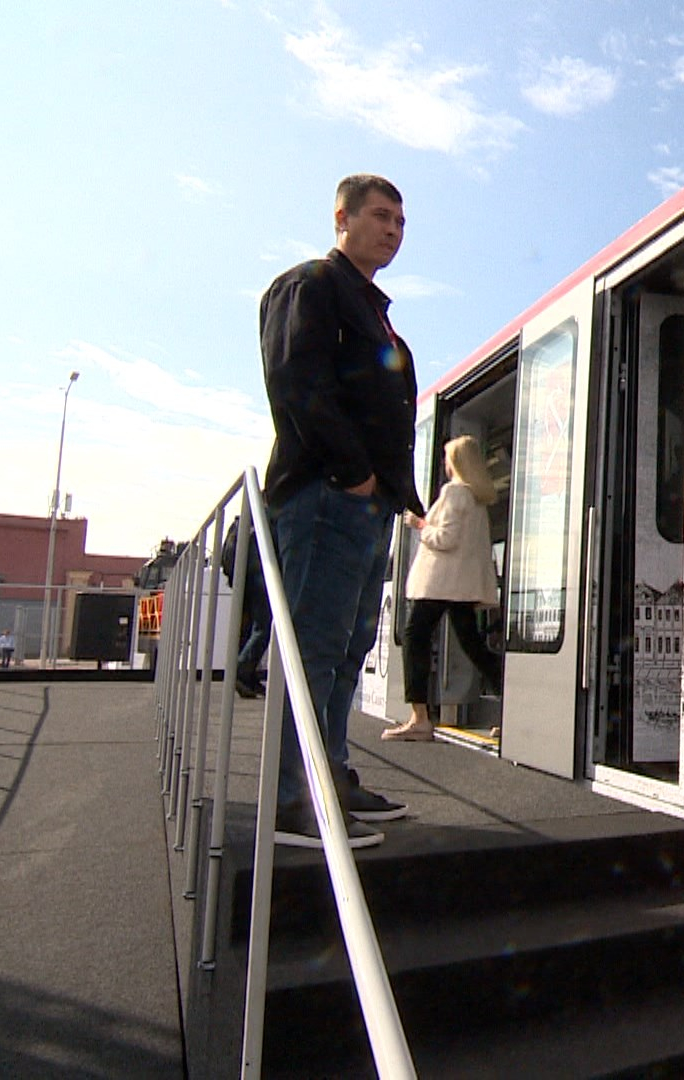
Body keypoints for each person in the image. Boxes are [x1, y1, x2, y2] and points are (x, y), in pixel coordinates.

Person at [260, 173, 423, 850]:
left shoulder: (371, 306)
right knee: (315, 649)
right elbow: (296, 379)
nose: (393, 229)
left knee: (350, 649)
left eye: (400, 221)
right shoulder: (311, 287)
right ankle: (296, 802)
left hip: (365, 504)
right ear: (342, 217)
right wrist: (352, 473)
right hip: (327, 496)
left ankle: (330, 777)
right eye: (381, 216)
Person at [383, 435, 503, 742]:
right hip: (460, 586)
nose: (445, 464)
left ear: (457, 462)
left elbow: (444, 539)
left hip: (439, 583)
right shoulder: (477, 497)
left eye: (448, 458)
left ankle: (419, 717)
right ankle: (512, 709)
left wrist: (419, 525)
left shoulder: (453, 493)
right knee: (474, 647)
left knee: (415, 638)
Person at [221, 515, 272, 698]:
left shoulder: (241, 522)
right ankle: (242, 671)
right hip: (258, 575)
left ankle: (248, 676)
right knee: (263, 627)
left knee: (248, 627)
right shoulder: (266, 515)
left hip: (242, 577)